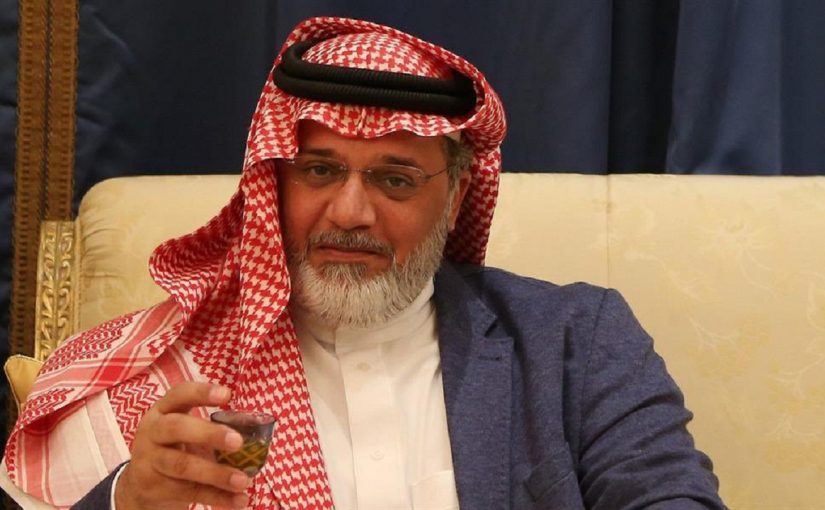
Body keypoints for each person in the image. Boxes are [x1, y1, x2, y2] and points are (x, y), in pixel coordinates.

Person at [1, 17, 726, 510]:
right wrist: (127, 499)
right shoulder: (162, 372)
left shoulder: (575, 341)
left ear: (456, 196)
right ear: (275, 182)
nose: (350, 212)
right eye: (319, 171)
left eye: (395, 179)